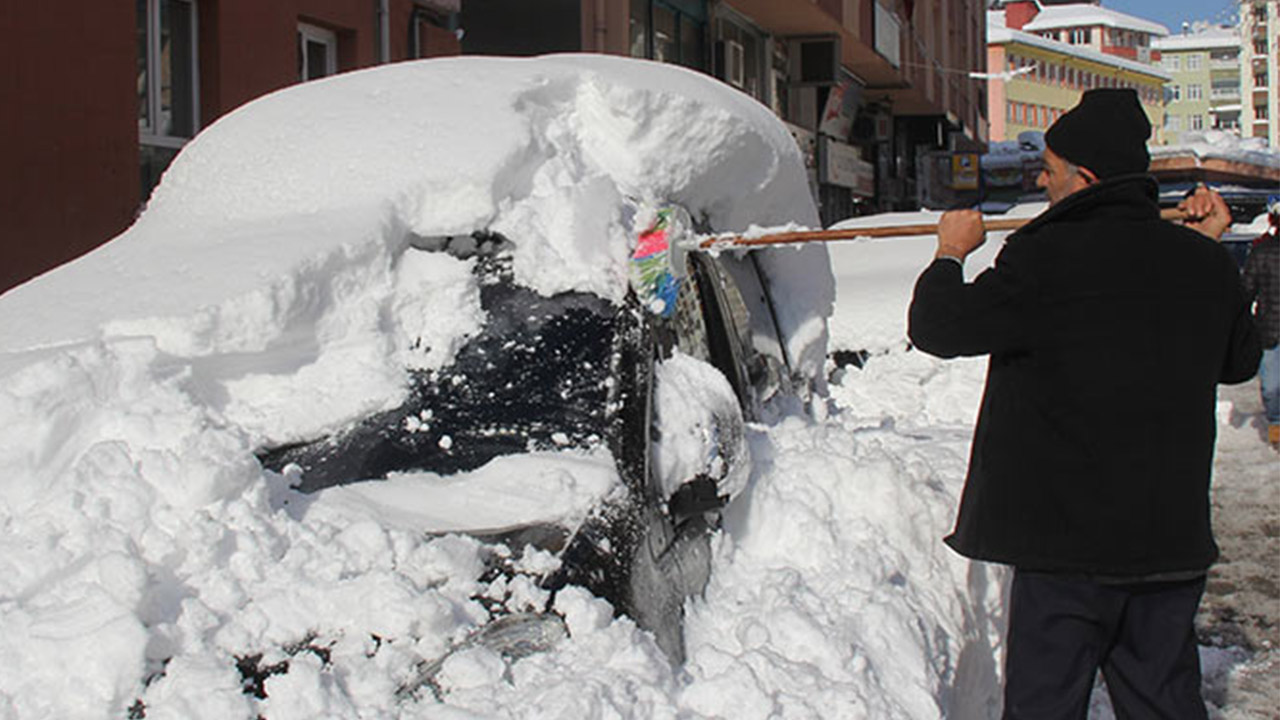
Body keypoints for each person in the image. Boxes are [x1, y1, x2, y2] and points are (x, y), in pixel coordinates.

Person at [907, 88, 1262, 718]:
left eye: (1049, 170)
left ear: (1087, 177)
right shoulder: (1202, 264)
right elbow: (1238, 362)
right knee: (1163, 704)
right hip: (1167, 545)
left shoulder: (1044, 258)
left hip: (1065, 552)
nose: (1041, 182)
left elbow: (938, 328)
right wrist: (1207, 247)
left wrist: (950, 252)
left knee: (1045, 706)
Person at [1241, 196, 1279, 446]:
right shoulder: (1262, 251)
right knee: (1272, 386)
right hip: (1270, 329)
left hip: (1268, 328)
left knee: (1272, 385)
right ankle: (1276, 426)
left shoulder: (1261, 249)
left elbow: (1245, 290)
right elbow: (1247, 289)